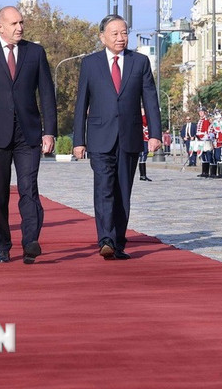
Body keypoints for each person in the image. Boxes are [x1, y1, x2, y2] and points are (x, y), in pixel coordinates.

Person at [0, 6, 57, 264]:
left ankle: (30, 243)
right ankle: (2, 245)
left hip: (28, 134)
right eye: (14, 23)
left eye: (22, 22)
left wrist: (49, 131)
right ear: (0, 27)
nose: (20, 28)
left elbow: (47, 94)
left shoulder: (35, 52)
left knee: (29, 189)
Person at [73, 14, 162, 260]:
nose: (120, 38)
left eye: (124, 33)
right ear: (102, 37)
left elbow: (150, 100)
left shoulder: (140, 62)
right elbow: (82, 103)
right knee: (103, 188)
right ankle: (106, 239)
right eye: (114, 33)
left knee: (123, 191)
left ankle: (119, 242)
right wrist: (78, 140)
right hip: (100, 137)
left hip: (130, 136)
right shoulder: (90, 64)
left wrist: (155, 134)